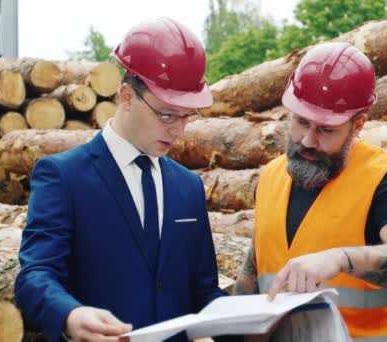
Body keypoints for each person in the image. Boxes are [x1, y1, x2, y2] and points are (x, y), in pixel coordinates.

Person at [15, 18, 228, 342]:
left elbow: (203, 291)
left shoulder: (188, 187)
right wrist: (69, 315)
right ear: (126, 96)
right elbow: (35, 275)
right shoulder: (63, 176)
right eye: (167, 114)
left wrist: (253, 322)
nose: (178, 130)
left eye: (187, 116)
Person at [235, 42, 387, 341]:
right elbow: (255, 268)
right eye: (301, 122)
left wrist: (340, 259)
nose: (307, 140)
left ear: (358, 125)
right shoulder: (271, 176)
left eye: (325, 130)